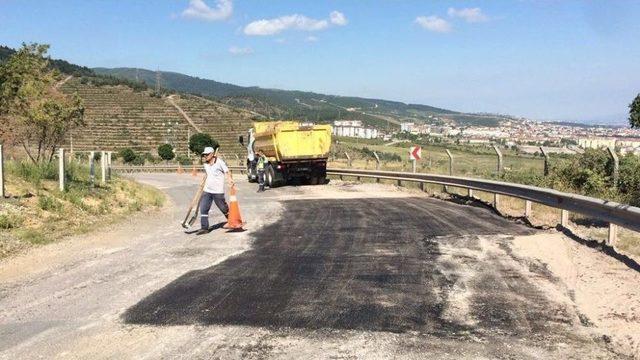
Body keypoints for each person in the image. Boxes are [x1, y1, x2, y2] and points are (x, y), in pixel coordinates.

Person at [197, 146, 234, 235]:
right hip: (207, 190)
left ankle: (232, 222)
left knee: (223, 208)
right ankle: (204, 228)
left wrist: (229, 180)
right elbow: (207, 174)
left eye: (207, 154)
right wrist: (202, 182)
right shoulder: (205, 164)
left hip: (217, 191)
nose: (205, 156)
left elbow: (227, 171)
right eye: (204, 155)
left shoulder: (220, 162)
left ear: (212, 154)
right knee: (204, 208)